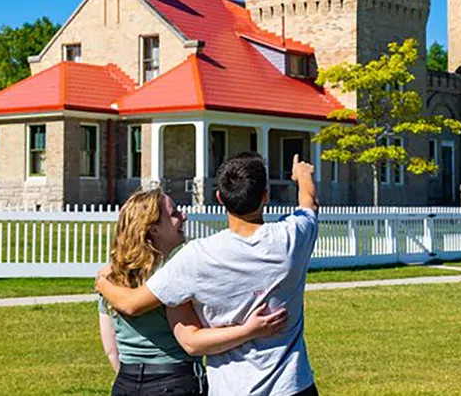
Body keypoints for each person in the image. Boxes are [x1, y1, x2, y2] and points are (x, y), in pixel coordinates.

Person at [97, 152, 321, 396]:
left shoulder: (196, 257)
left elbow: (133, 304)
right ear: (265, 197)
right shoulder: (291, 239)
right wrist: (303, 175)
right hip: (293, 386)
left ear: (219, 199)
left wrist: (102, 282)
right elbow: (308, 204)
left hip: (231, 388)